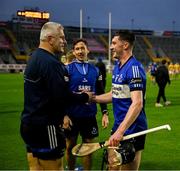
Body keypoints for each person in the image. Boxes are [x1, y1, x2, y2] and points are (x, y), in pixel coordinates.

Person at [20, 22, 93, 170]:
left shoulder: (34, 56)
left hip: (28, 124)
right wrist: (85, 97)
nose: (64, 41)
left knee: (35, 167)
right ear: (50, 39)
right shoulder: (51, 63)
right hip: (46, 127)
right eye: (62, 38)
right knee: (55, 167)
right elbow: (62, 96)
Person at [95, 30, 147, 170]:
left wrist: (120, 131)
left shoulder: (134, 68)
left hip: (133, 129)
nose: (110, 47)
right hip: (119, 126)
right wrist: (93, 98)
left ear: (125, 45)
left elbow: (137, 103)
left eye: (114, 43)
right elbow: (115, 94)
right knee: (112, 166)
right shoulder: (118, 67)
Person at [64, 39, 109, 170]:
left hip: (89, 115)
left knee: (88, 149)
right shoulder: (67, 69)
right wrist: (64, 115)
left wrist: (105, 113)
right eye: (77, 49)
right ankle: (71, 169)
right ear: (73, 51)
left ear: (87, 50)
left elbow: (100, 92)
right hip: (72, 115)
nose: (80, 51)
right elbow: (62, 94)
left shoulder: (95, 70)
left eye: (82, 48)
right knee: (70, 147)